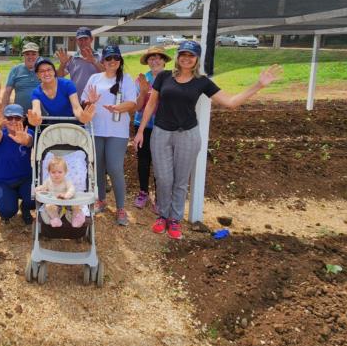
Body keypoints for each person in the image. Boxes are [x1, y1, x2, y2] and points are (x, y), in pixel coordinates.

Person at [134, 40, 282, 240]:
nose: (186, 58)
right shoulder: (164, 77)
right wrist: (141, 130)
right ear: (178, 57)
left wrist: (258, 85)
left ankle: (174, 219)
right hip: (161, 133)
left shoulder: (202, 82)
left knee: (180, 180)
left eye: (191, 55)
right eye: (183, 54)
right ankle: (163, 215)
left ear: (196, 60)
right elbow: (151, 105)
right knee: (163, 178)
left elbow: (230, 103)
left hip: (188, 134)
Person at [81, 45, 137, 226]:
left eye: (116, 58)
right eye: (108, 58)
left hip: (117, 132)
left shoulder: (125, 79)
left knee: (114, 168)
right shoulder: (94, 78)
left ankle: (121, 208)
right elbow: (84, 101)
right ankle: (101, 200)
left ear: (120, 61)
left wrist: (118, 108)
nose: (112, 61)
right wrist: (90, 101)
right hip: (95, 129)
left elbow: (132, 103)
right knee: (98, 166)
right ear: (103, 61)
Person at [132, 46, 172, 209]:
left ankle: (159, 195)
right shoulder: (142, 79)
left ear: (164, 61)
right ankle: (143, 192)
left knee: (160, 162)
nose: (155, 61)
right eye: (151, 58)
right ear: (147, 62)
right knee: (143, 160)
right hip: (143, 125)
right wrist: (142, 92)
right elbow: (137, 106)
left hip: (164, 127)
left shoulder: (172, 79)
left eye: (158, 57)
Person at [0, 104, 35, 224]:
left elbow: (29, 140)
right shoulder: (1, 134)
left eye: (17, 118)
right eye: (9, 118)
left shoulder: (27, 132)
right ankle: (7, 205)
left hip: (25, 179)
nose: (13, 121)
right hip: (3, 181)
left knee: (34, 201)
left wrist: (25, 140)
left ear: (23, 119)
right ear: (4, 120)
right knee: (7, 211)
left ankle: (25, 208)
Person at [26, 57, 95, 126]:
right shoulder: (36, 92)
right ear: (37, 75)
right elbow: (36, 110)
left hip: (73, 121)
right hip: (53, 123)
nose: (46, 73)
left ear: (54, 71)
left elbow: (76, 107)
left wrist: (82, 117)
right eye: (42, 71)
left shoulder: (67, 84)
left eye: (49, 70)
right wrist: (35, 119)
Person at [36, 155, 83, 228]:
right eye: (53, 172)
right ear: (49, 172)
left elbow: (72, 189)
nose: (56, 175)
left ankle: (76, 217)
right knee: (48, 206)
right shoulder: (48, 181)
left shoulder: (66, 181)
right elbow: (44, 187)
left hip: (68, 203)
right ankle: (55, 218)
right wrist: (39, 188)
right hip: (55, 204)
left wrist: (66, 195)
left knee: (76, 205)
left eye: (60, 172)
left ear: (65, 172)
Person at [56, 27, 104, 97]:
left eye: (86, 39)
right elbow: (59, 76)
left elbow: (108, 74)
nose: (83, 42)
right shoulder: (72, 58)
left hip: (95, 100)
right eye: (80, 39)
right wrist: (62, 64)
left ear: (91, 39)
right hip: (76, 101)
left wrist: (94, 61)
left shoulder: (100, 57)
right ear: (76, 41)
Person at [1, 42, 41, 112]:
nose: (30, 57)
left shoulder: (43, 70)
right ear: (23, 55)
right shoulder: (15, 69)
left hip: (40, 114)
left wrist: (63, 64)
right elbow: (7, 92)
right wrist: (3, 111)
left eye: (34, 54)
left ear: (38, 55)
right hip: (19, 115)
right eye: (27, 54)